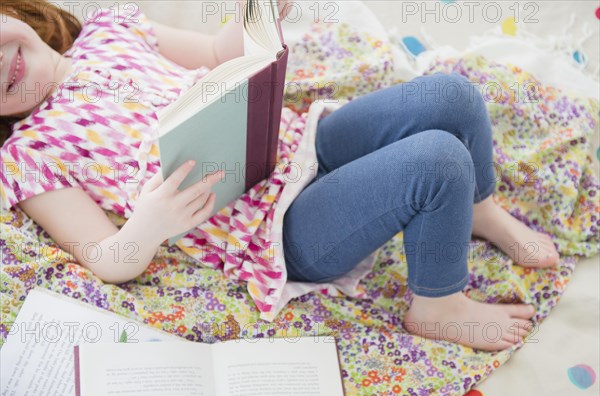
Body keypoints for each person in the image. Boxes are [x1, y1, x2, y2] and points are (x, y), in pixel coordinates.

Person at [0, 1, 559, 352]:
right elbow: (103, 256)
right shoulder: (28, 156)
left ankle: (478, 207)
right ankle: (436, 304)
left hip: (295, 142)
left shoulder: (111, 27)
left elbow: (221, 55)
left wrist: (259, 17)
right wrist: (148, 225)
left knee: (451, 94)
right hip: (279, 228)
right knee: (436, 160)